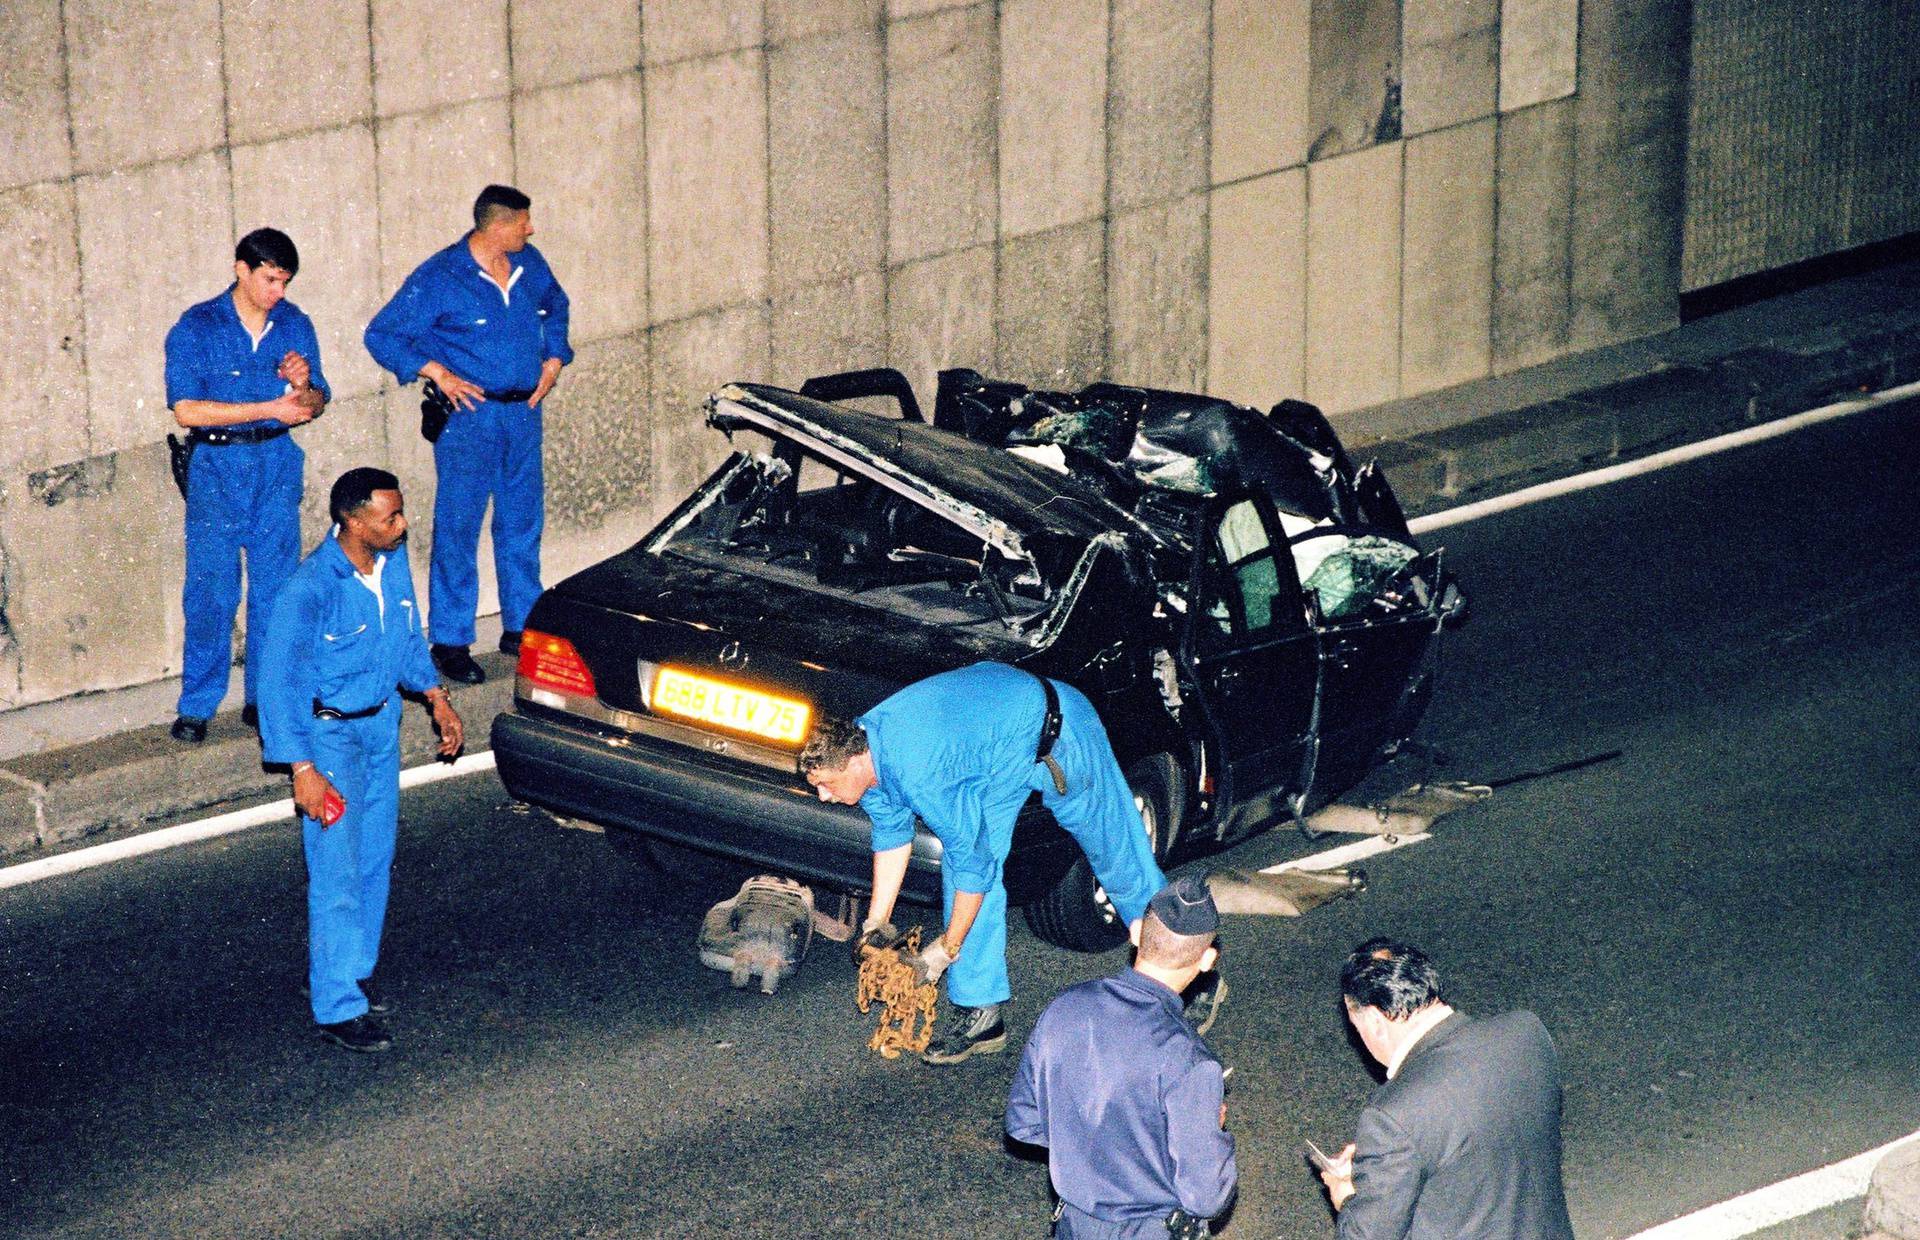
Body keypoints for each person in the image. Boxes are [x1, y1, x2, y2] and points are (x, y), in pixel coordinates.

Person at [800, 661, 1168, 1065]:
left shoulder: (921, 773)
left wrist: (944, 949)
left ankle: (1183, 974)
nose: (823, 796)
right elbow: (891, 836)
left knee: (1116, 852)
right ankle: (982, 1012)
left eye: (826, 784)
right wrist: (876, 923)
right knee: (964, 872)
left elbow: (974, 864)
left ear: (855, 762)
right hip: (993, 756)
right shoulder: (863, 748)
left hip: (1057, 731)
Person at [258, 468, 464, 1052]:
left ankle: (347, 969)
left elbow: (405, 639)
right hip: (330, 742)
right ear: (352, 521)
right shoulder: (310, 589)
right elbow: (278, 684)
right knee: (336, 870)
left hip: (381, 730)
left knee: (374, 858)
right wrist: (302, 770)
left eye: (400, 514)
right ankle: (337, 1006)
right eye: (390, 518)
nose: (402, 526)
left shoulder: (390, 563)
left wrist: (436, 698)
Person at [363, 184, 572, 686]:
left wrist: (554, 358)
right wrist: (437, 372)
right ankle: (452, 640)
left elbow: (555, 307)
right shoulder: (442, 276)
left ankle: (521, 626)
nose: (531, 229)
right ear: (497, 227)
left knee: (523, 523)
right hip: (470, 419)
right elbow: (383, 334)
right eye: (523, 222)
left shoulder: (529, 264)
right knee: (459, 527)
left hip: (523, 412)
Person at [164, 227, 330, 743]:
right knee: (211, 592)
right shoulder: (197, 326)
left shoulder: (294, 323)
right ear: (241, 268)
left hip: (275, 463)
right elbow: (187, 409)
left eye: (285, 282)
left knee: (276, 593)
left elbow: (316, 403)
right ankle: (197, 703)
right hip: (217, 466)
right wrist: (268, 408)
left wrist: (304, 388)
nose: (279, 292)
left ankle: (266, 696)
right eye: (271, 279)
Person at [1005, 873, 1238, 1237]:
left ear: (1135, 932)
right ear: (1208, 959)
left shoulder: (1064, 1008)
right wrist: (1211, 1125)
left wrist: (1088, 1145)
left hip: (1074, 1224)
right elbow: (1206, 1196)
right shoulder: (1190, 1060)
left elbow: (1023, 1122)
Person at [1317, 938, 1574, 1239]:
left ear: (1374, 1021)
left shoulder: (1393, 1115)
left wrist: (1347, 1196)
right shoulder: (1525, 1032)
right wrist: (1385, 1161)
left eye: (1356, 1028)